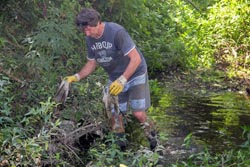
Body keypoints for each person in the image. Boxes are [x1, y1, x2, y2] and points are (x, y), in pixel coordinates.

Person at [64, 8, 157, 150]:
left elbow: (136, 58)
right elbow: (91, 63)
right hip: (115, 77)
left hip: (135, 73)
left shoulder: (116, 32)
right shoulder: (90, 39)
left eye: (89, 29)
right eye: (84, 31)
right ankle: (122, 149)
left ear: (97, 23)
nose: (87, 33)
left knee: (138, 113)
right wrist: (76, 77)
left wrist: (123, 79)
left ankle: (153, 138)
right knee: (114, 114)